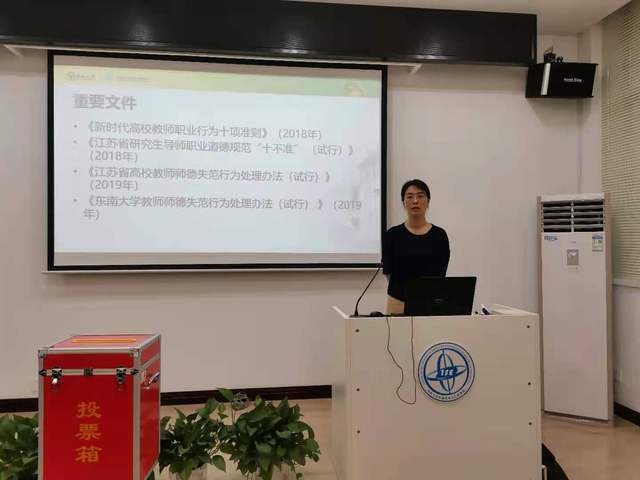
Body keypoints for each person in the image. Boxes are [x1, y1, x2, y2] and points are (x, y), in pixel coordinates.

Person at [382, 179, 450, 314]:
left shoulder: (439, 235)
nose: (415, 201)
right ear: (403, 202)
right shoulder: (393, 234)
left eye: (420, 196)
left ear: (428, 201)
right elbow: (388, 271)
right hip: (398, 301)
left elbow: (441, 273)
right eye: (409, 197)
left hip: (430, 302)